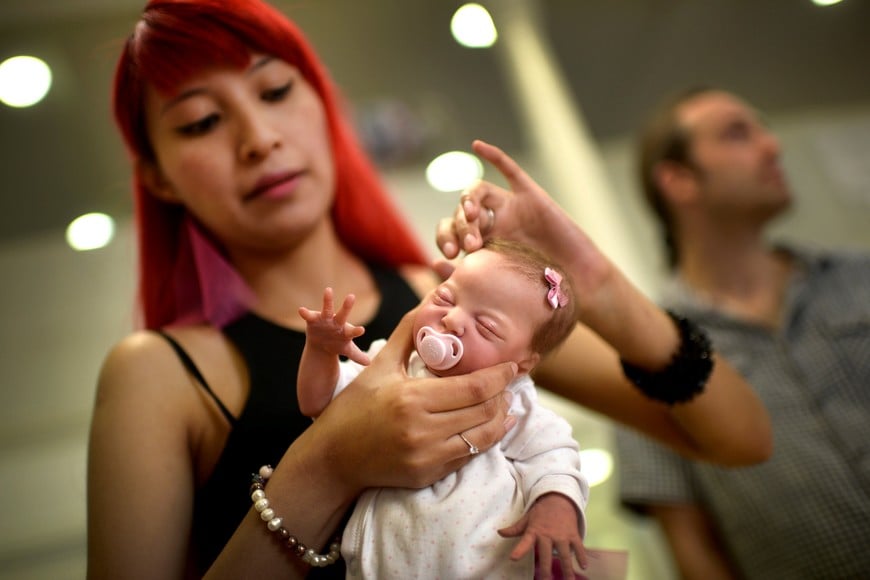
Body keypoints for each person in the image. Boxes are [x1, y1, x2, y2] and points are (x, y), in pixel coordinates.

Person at [85, 0, 771, 577]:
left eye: (274, 91)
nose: (259, 138)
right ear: (160, 176)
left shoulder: (460, 300)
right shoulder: (158, 373)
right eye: (202, 121)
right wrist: (328, 466)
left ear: (323, 106)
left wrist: (592, 277)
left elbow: (741, 436)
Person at [614, 86, 870, 579]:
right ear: (679, 180)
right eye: (737, 134)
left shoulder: (860, 278)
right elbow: (689, 540)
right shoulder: (652, 354)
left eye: (763, 129)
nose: (772, 147)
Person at [298, 239, 588, 578]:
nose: (451, 319)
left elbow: (554, 456)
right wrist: (320, 351)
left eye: (486, 327)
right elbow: (317, 401)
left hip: (480, 567)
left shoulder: (515, 402)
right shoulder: (391, 364)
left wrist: (555, 505)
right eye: (445, 298)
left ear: (522, 364)